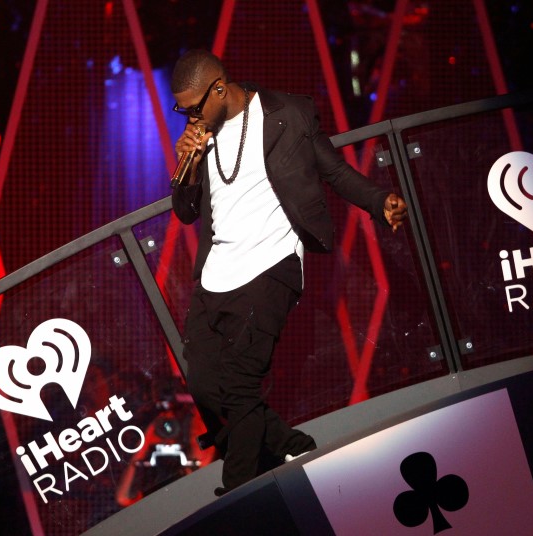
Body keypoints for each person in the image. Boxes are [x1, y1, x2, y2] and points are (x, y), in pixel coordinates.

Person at [169, 49, 407, 496]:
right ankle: (290, 443)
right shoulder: (201, 137)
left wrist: (378, 201)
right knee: (203, 381)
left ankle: (237, 494)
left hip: (271, 266)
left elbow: (333, 170)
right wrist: (188, 167)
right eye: (182, 109)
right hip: (216, 273)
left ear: (220, 87)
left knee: (240, 385)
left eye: (194, 107)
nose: (189, 117)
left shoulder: (288, 113)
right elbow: (184, 213)